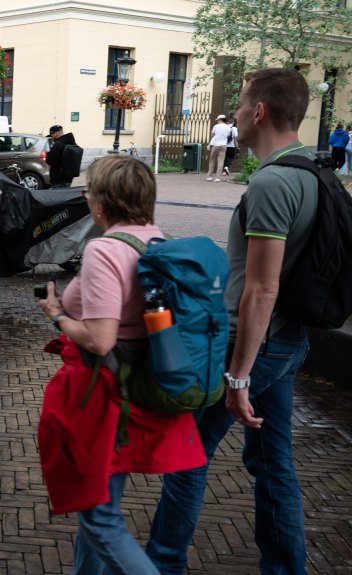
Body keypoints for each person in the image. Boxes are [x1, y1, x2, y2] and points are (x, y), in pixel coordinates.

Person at [147, 68, 317, 575]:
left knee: (187, 456)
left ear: (259, 112)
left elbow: (263, 288)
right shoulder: (313, 173)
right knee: (272, 462)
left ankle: (163, 563)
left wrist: (239, 377)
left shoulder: (271, 182)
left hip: (253, 347)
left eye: (241, 105)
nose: (237, 114)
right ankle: (285, 567)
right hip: (287, 340)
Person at [36, 154, 207, 575]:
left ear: (102, 202)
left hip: (105, 394)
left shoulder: (104, 249)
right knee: (99, 503)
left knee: (99, 517)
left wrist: (57, 315)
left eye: (89, 192)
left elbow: (100, 339)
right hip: (139, 383)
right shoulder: (158, 241)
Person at [207, 114, 231, 181]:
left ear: (220, 119)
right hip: (223, 145)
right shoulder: (228, 127)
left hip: (215, 145)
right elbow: (228, 136)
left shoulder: (216, 126)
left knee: (212, 160)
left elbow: (212, 135)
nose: (217, 121)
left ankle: (209, 176)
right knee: (221, 161)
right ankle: (218, 178)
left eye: (217, 120)